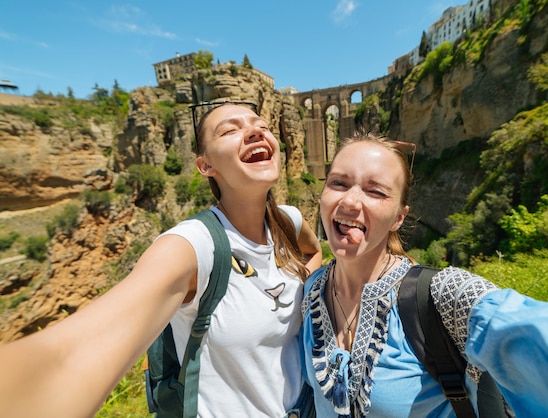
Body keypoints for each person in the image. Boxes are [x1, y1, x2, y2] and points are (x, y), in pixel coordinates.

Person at [0, 101, 322, 418]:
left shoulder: (288, 221)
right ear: (205, 165)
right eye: (229, 130)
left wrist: (306, 292)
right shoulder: (193, 245)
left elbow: (313, 251)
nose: (255, 131)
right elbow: (71, 355)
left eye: (262, 125)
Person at [300, 135, 548, 417]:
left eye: (375, 192)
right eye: (338, 183)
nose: (350, 200)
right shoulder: (312, 291)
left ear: (399, 217)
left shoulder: (442, 295)